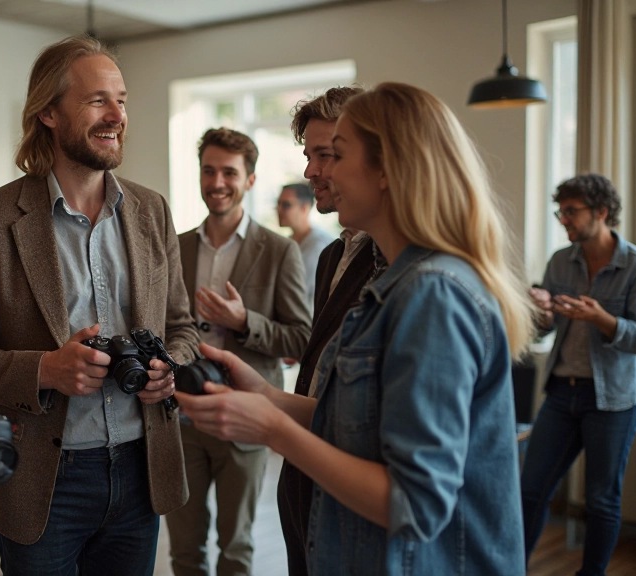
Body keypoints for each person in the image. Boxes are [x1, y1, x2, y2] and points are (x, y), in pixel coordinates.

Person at [175, 82, 534, 575]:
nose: (316, 174)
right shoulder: (402, 282)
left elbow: (416, 503)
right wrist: (267, 396)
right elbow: (362, 423)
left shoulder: (433, 294)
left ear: (387, 170)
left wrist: (272, 427)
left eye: (336, 155)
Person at [0, 35, 199, 576]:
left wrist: (167, 368)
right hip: (43, 481)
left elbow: (183, 329)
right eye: (97, 100)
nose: (116, 115)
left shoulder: (152, 211)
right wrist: (45, 369)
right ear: (49, 113)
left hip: (141, 468)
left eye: (122, 99)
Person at [169, 128, 311, 576]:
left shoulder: (280, 250)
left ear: (249, 180)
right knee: (184, 551)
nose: (217, 182)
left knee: (237, 548)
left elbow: (301, 337)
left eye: (229, 172)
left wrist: (244, 322)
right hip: (182, 414)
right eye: (208, 170)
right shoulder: (176, 246)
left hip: (247, 416)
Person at [275, 86, 378, 576]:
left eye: (328, 155)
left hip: (351, 484)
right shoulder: (331, 257)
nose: (311, 171)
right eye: (310, 155)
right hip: (308, 469)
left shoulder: (401, 269)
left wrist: (269, 416)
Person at [521, 173, 636, 576]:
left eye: (571, 212)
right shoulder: (560, 260)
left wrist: (602, 319)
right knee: (530, 491)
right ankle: (509, 566)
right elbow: (546, 327)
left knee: (602, 501)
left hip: (613, 401)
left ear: (602, 212)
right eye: (561, 212)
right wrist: (540, 309)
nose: (563, 220)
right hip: (560, 392)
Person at [277, 182, 334, 301]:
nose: (278, 209)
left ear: (305, 207)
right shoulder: (288, 242)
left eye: (286, 205)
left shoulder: (319, 246)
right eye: (278, 203)